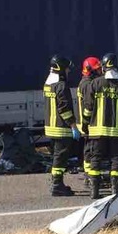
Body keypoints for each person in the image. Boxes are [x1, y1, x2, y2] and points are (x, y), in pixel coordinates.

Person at [84, 56, 118, 198]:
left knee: (95, 159)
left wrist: (84, 125)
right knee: (116, 159)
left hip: (97, 131)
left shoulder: (95, 83)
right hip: (117, 131)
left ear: (104, 67)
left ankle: (94, 191)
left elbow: (88, 108)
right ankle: (115, 189)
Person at [44, 55, 81, 196]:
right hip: (61, 127)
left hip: (51, 127)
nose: (68, 72)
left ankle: (56, 182)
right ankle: (57, 185)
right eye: (66, 69)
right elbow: (64, 109)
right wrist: (73, 126)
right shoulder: (61, 85)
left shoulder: (48, 84)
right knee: (60, 157)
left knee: (56, 156)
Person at [78, 57, 103, 186]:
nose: (100, 72)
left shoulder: (85, 82)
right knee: (90, 151)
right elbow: (89, 106)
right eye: (97, 70)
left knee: (88, 149)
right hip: (89, 122)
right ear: (90, 70)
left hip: (86, 121)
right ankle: (89, 176)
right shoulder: (88, 84)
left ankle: (88, 175)